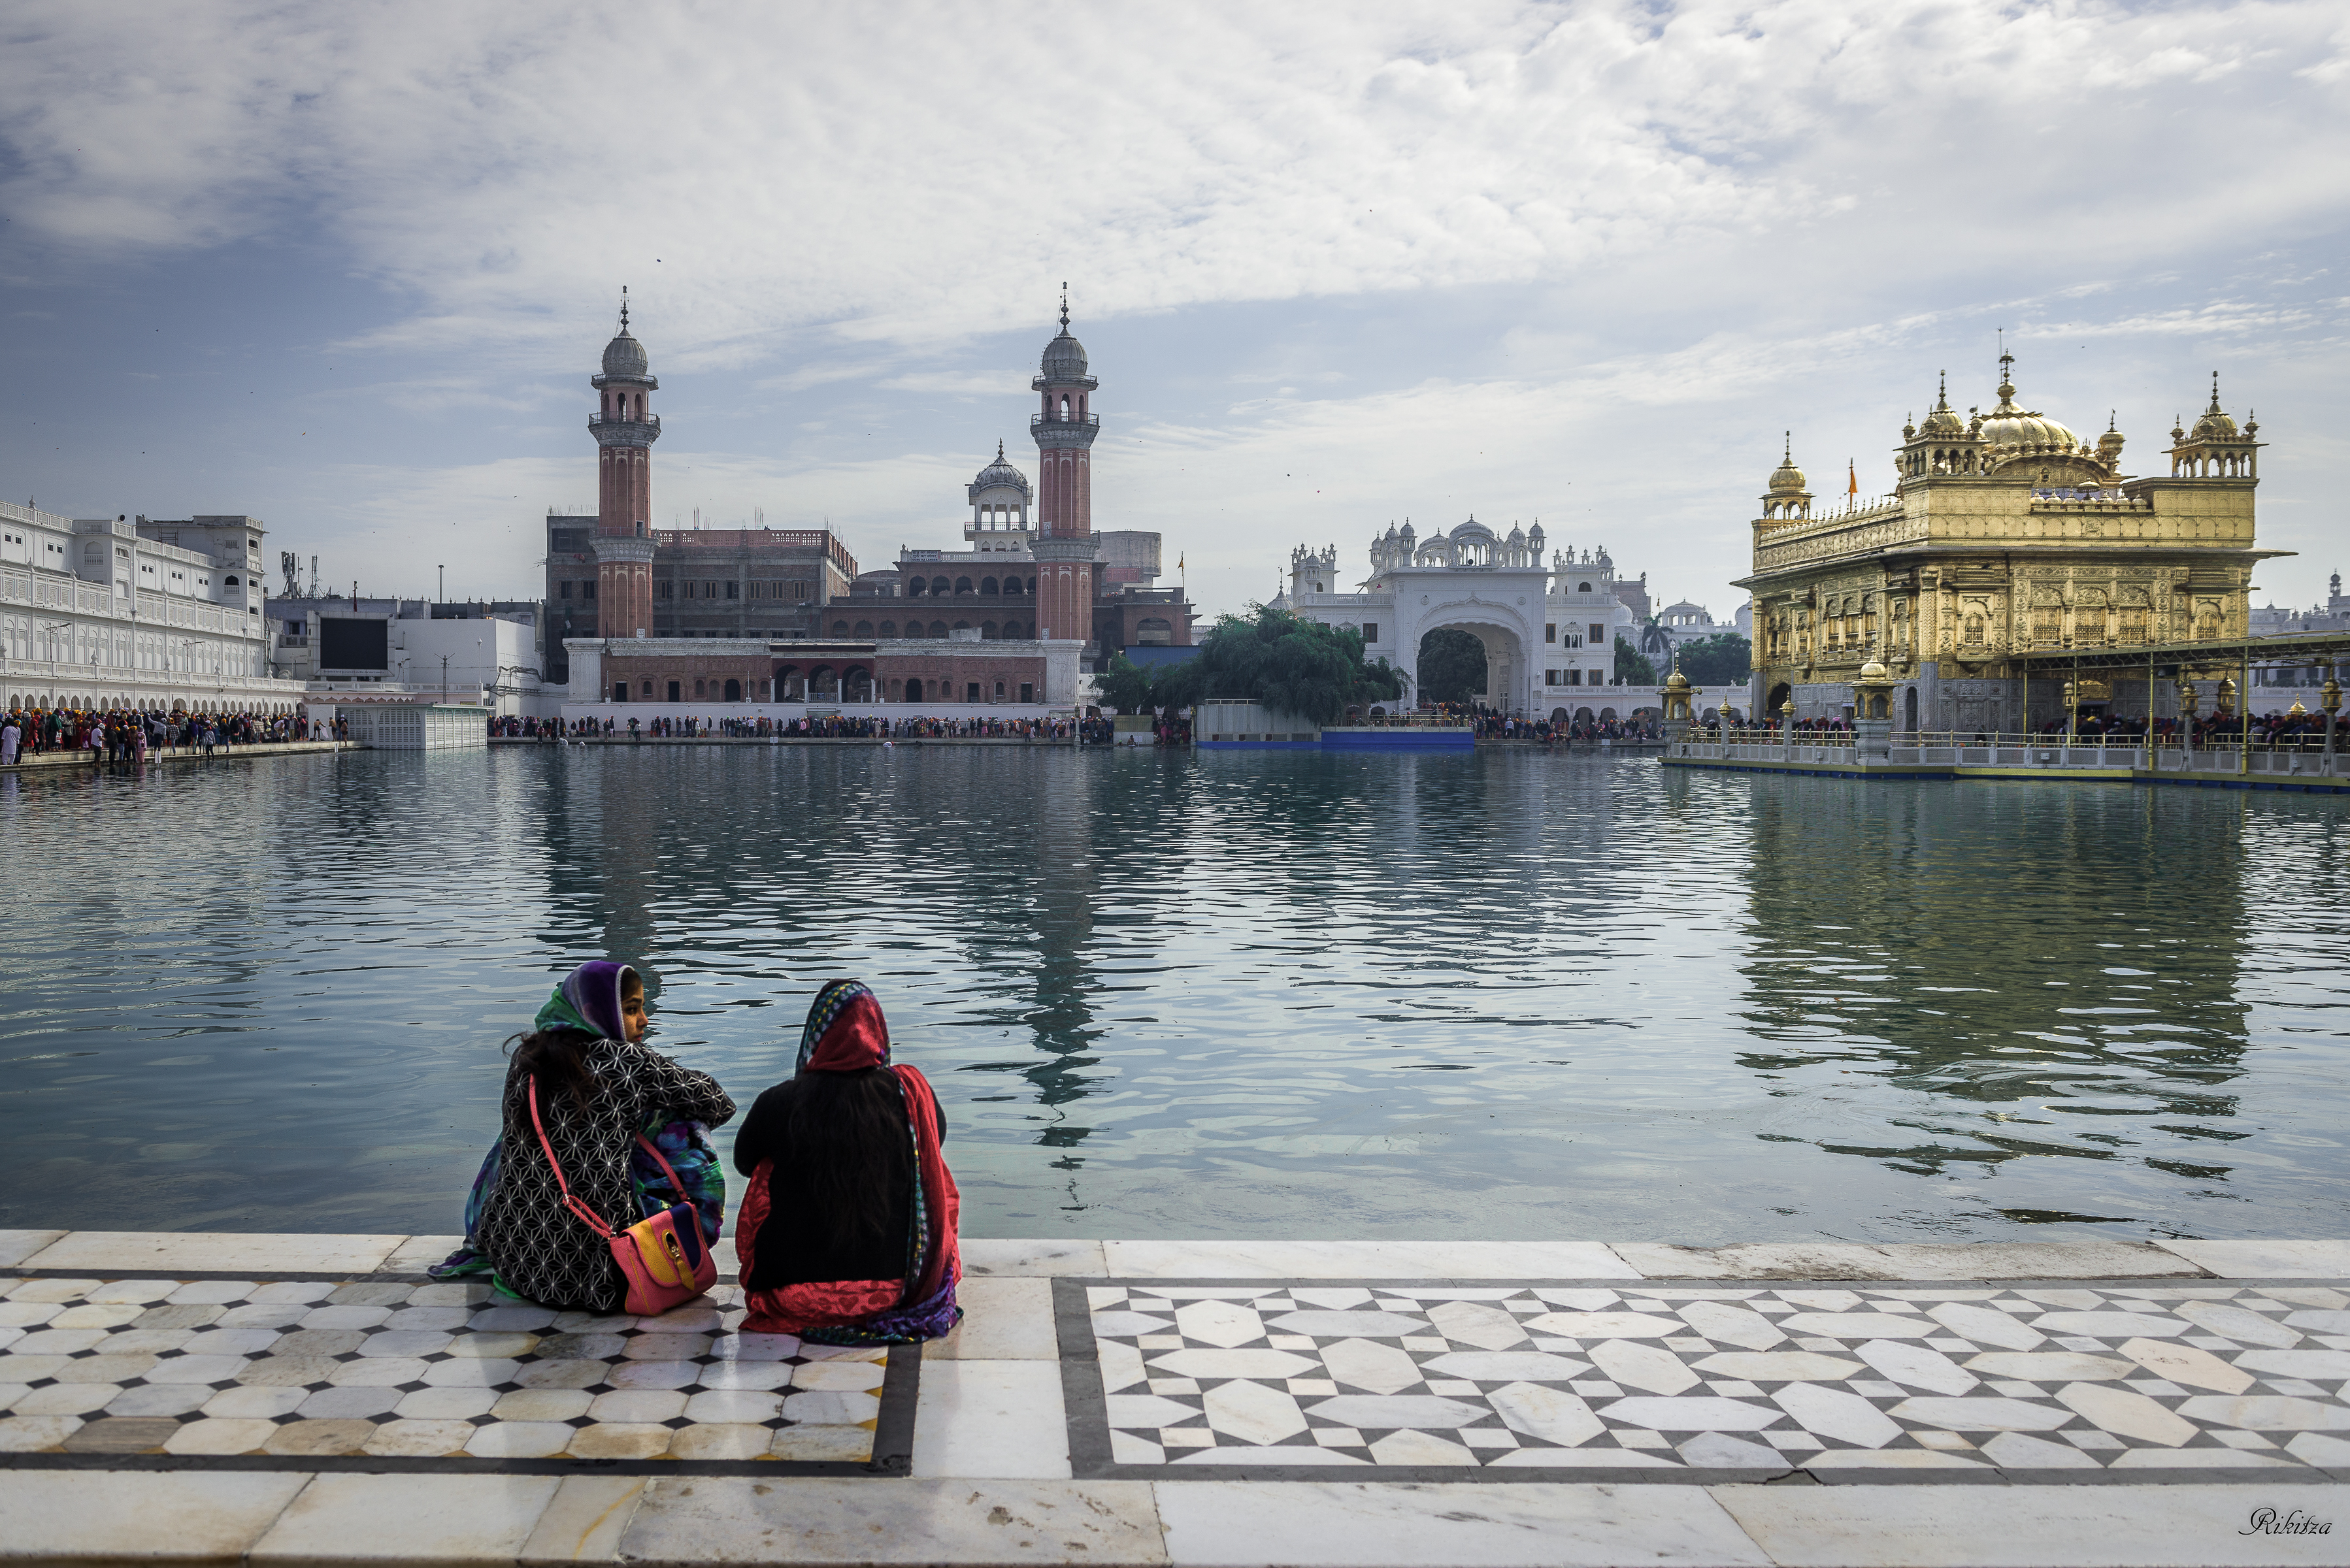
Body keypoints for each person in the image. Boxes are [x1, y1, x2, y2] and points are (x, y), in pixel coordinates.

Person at [468, 961, 736, 1309]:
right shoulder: (627, 1060)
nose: (644, 1021)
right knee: (682, 1120)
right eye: (631, 1009)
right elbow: (718, 1103)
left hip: (518, 1261)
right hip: (606, 1274)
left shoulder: (526, 1058)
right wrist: (649, 1115)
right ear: (597, 1011)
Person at [732, 980, 961, 1343]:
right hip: (898, 1292)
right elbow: (939, 1140)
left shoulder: (778, 1102)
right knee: (925, 1147)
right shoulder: (909, 1092)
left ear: (815, 1036)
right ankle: (915, 1264)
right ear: (879, 1034)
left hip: (795, 1299)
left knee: (766, 1171)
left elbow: (744, 1163)